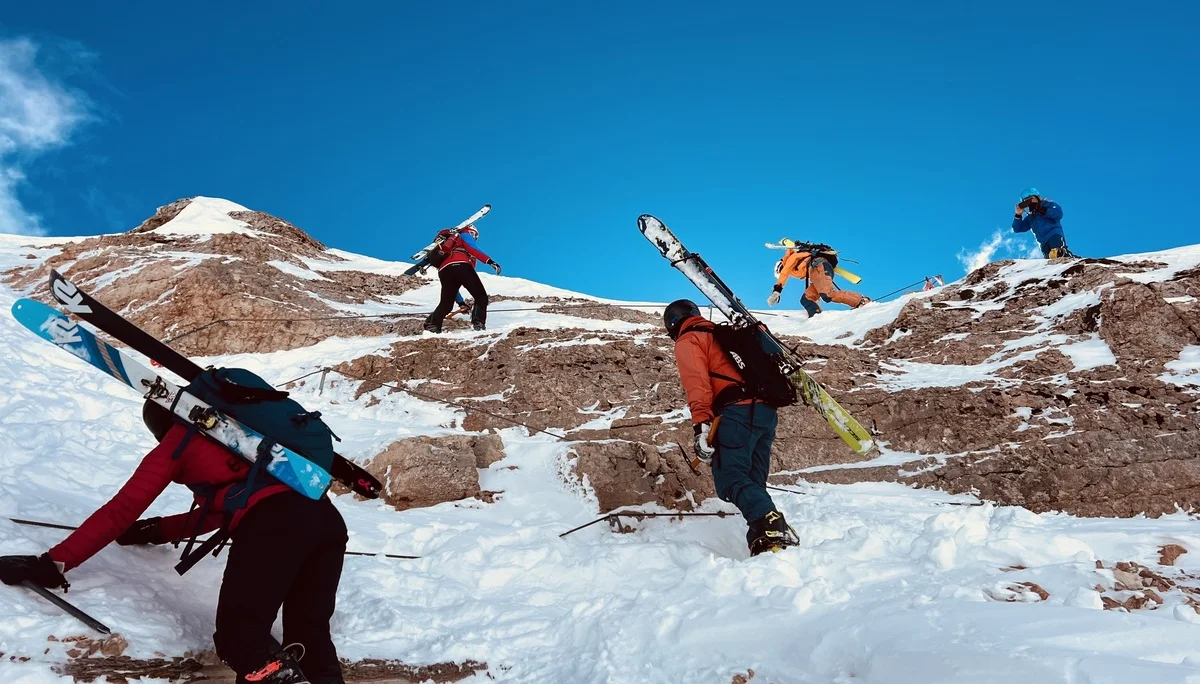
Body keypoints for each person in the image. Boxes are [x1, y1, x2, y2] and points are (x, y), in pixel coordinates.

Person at [0, 400, 348, 684]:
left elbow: (121, 509)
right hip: (328, 524)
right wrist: (155, 531)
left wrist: (51, 564)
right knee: (310, 634)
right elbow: (227, 510)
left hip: (274, 526)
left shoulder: (179, 441)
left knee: (241, 637)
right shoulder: (247, 448)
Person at [664, 299, 800, 556]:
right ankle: (767, 537)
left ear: (673, 324)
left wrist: (701, 426)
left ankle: (771, 527)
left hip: (737, 413)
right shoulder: (723, 333)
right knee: (752, 482)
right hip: (765, 413)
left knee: (731, 479)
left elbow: (698, 384)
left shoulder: (689, 339)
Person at [423, 225, 501, 333]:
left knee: (446, 304)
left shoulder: (449, 244)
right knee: (480, 296)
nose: (474, 237)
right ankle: (478, 323)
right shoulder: (464, 234)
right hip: (462, 265)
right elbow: (472, 247)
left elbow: (455, 285)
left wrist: (461, 303)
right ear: (472, 232)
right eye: (474, 235)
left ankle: (432, 325)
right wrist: (489, 261)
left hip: (444, 271)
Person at [767, 243, 868, 317]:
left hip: (819, 267)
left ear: (780, 267)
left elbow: (784, 273)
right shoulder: (799, 265)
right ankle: (816, 316)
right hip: (819, 272)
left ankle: (861, 301)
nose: (789, 275)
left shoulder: (790, 260)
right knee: (806, 299)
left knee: (828, 294)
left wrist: (776, 292)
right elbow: (817, 282)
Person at [1012, 187, 1073, 259]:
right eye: (1026, 201)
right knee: (1050, 261)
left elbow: (1059, 214)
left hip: (1054, 236)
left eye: (1031, 199)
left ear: (1037, 197)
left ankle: (1076, 261)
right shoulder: (1031, 217)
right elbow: (1017, 228)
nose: (1030, 202)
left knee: (1059, 254)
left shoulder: (1048, 205)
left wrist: (1043, 210)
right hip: (1043, 243)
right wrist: (1018, 215)